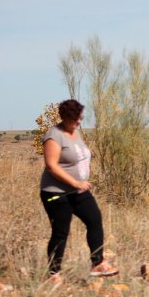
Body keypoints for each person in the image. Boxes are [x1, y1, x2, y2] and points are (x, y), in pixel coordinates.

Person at [40, 99, 118, 282]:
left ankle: (97, 263)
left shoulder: (75, 133)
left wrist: (80, 182)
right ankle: (54, 274)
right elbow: (51, 166)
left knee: (94, 220)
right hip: (56, 193)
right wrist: (75, 182)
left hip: (79, 192)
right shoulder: (54, 136)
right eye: (75, 119)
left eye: (81, 118)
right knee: (61, 231)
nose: (79, 122)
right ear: (64, 117)